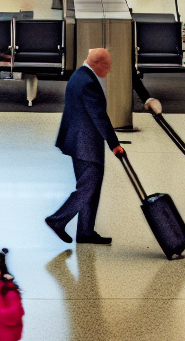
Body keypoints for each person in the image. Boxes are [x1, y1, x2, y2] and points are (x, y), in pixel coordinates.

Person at [46, 48, 125, 245]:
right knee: (88, 187)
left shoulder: (79, 75)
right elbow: (99, 117)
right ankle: (58, 220)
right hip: (85, 143)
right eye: (107, 65)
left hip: (77, 140)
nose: (110, 69)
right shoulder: (88, 83)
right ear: (97, 63)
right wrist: (114, 144)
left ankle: (85, 231)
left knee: (91, 186)